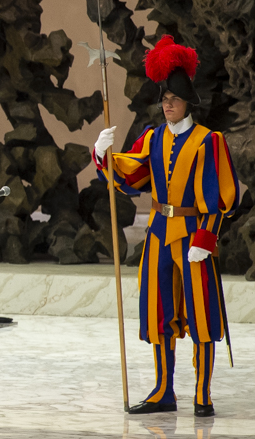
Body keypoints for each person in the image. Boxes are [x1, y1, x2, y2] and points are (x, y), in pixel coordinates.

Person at [94, 35, 238, 418]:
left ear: (187, 101)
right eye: (163, 99)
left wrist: (206, 238)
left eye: (172, 99)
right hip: (159, 232)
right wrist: (102, 153)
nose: (167, 105)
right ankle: (163, 391)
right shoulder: (154, 138)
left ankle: (203, 394)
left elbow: (222, 195)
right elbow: (130, 174)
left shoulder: (210, 142)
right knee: (159, 313)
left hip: (194, 236)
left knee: (202, 315)